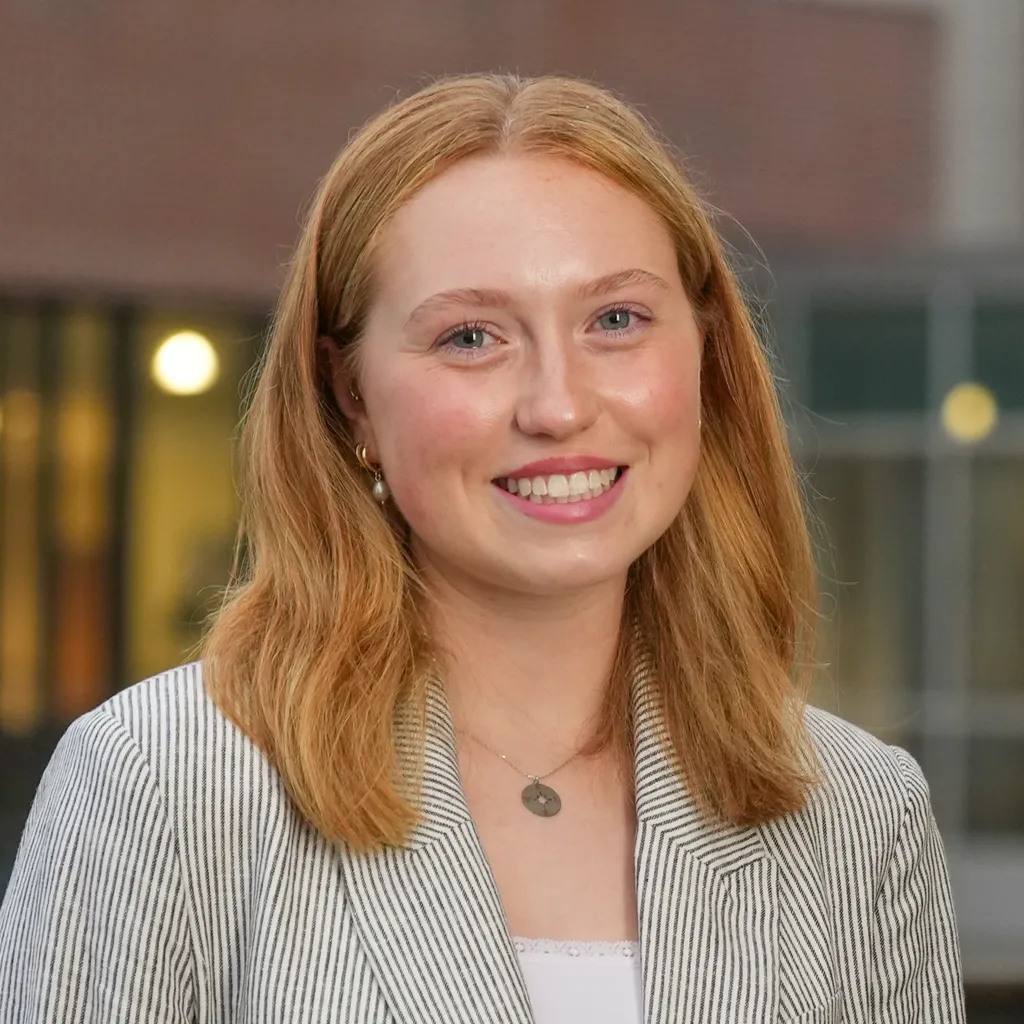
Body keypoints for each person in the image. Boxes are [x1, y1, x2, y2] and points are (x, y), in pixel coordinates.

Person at [0, 73, 964, 1023]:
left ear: (704, 351)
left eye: (616, 320)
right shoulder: (162, 783)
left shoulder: (854, 817)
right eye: (471, 337)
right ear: (349, 394)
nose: (559, 405)